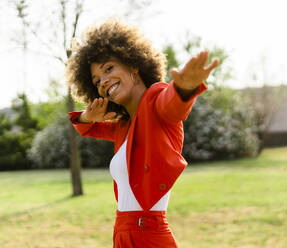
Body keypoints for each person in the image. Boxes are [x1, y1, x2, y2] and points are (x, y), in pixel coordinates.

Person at [65, 18, 219, 248]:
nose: (104, 81)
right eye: (97, 81)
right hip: (122, 235)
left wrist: (185, 88)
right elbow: (87, 127)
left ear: (133, 65)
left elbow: (172, 105)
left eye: (109, 68)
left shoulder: (157, 100)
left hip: (149, 236)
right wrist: (89, 116)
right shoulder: (123, 126)